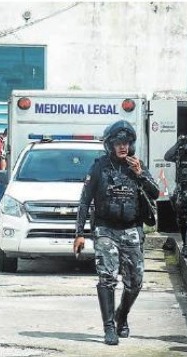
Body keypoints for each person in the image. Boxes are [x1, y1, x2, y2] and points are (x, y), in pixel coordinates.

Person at [73, 120, 159, 345]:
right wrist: (79, 233)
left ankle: (122, 316)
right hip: (105, 230)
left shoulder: (136, 165)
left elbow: (156, 193)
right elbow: (84, 201)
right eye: (118, 143)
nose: (123, 147)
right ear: (110, 144)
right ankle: (109, 326)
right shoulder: (99, 166)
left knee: (135, 282)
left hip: (131, 230)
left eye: (127, 143)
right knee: (107, 278)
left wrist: (140, 174)